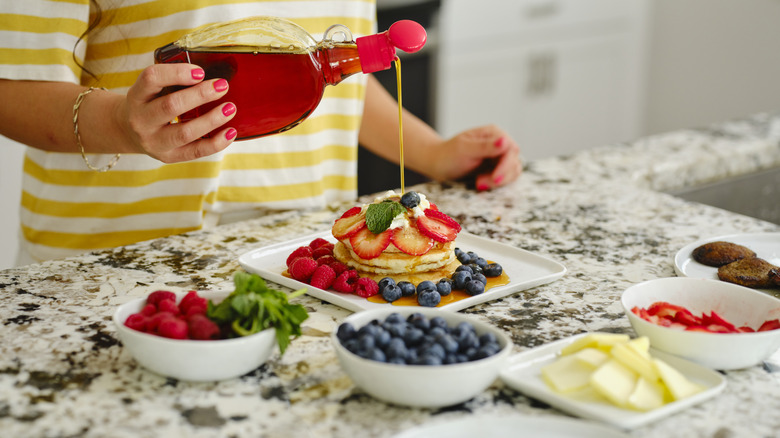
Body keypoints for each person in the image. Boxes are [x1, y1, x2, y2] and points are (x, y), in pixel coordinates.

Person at [0, 1, 521, 265]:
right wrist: (119, 123)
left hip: (303, 253)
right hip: (118, 261)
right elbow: (12, 84)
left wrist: (430, 150)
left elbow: (314, 75)